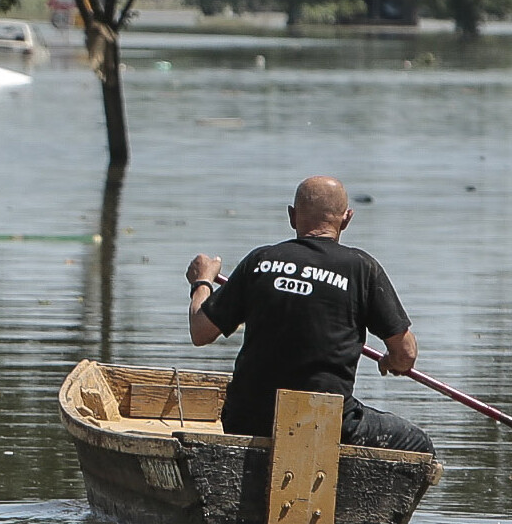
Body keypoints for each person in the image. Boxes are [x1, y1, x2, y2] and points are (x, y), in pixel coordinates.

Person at [184, 176, 433, 453]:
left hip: (246, 418)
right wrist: (393, 361)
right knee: (418, 445)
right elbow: (406, 354)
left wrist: (202, 282)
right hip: (323, 421)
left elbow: (200, 330)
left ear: (292, 216)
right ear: (347, 219)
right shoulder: (361, 269)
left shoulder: (260, 261)